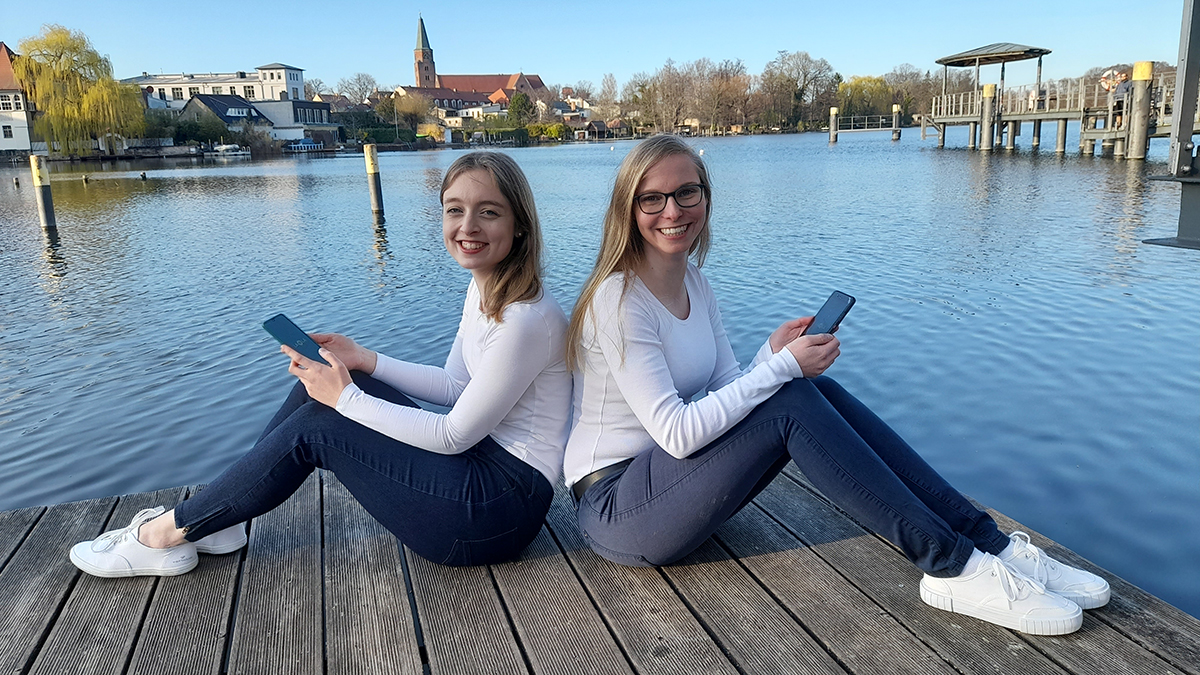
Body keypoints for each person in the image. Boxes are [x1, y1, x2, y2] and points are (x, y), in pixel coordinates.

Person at [564, 135, 1108, 636]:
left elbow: (729, 385)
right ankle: (952, 566)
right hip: (618, 512)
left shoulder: (695, 283)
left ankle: (987, 543)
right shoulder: (619, 300)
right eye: (652, 199)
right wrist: (781, 371)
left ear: (707, 197)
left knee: (810, 391)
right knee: (793, 394)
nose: (673, 211)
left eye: (687, 192)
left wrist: (769, 356)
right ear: (627, 210)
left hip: (667, 489)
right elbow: (678, 433)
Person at [71, 151, 571, 575]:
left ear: (520, 226)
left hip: (495, 513)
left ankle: (163, 535)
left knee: (320, 420)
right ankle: (216, 519)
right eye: (454, 210)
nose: (466, 227)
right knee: (324, 385)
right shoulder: (484, 289)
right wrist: (362, 361)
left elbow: (452, 434)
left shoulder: (527, 319)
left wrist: (346, 399)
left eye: (488, 213)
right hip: (477, 473)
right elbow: (455, 385)